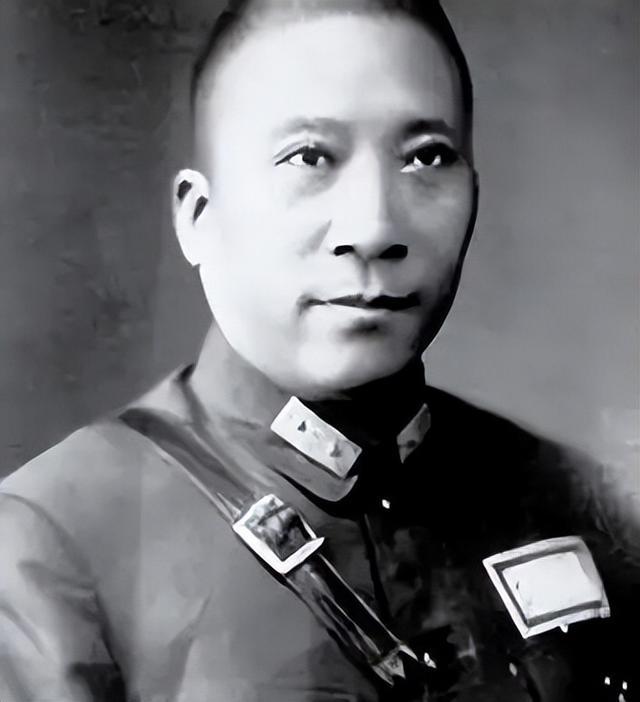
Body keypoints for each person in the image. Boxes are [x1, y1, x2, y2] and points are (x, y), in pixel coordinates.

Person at [0, 1, 637, 700]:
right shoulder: (47, 544)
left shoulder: (576, 500)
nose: (374, 228)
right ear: (198, 218)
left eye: (426, 157)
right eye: (309, 157)